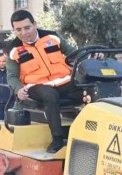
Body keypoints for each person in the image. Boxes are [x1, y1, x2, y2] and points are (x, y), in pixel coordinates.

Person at [6, 9, 90, 153]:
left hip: (63, 82)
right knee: (50, 95)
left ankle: (90, 134)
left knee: (90, 91)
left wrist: (92, 55)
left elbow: (75, 54)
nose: (24, 33)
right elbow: (12, 77)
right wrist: (18, 90)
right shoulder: (13, 50)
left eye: (27, 27)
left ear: (35, 25)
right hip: (36, 87)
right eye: (18, 30)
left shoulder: (52, 38)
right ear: (14, 30)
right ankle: (57, 138)